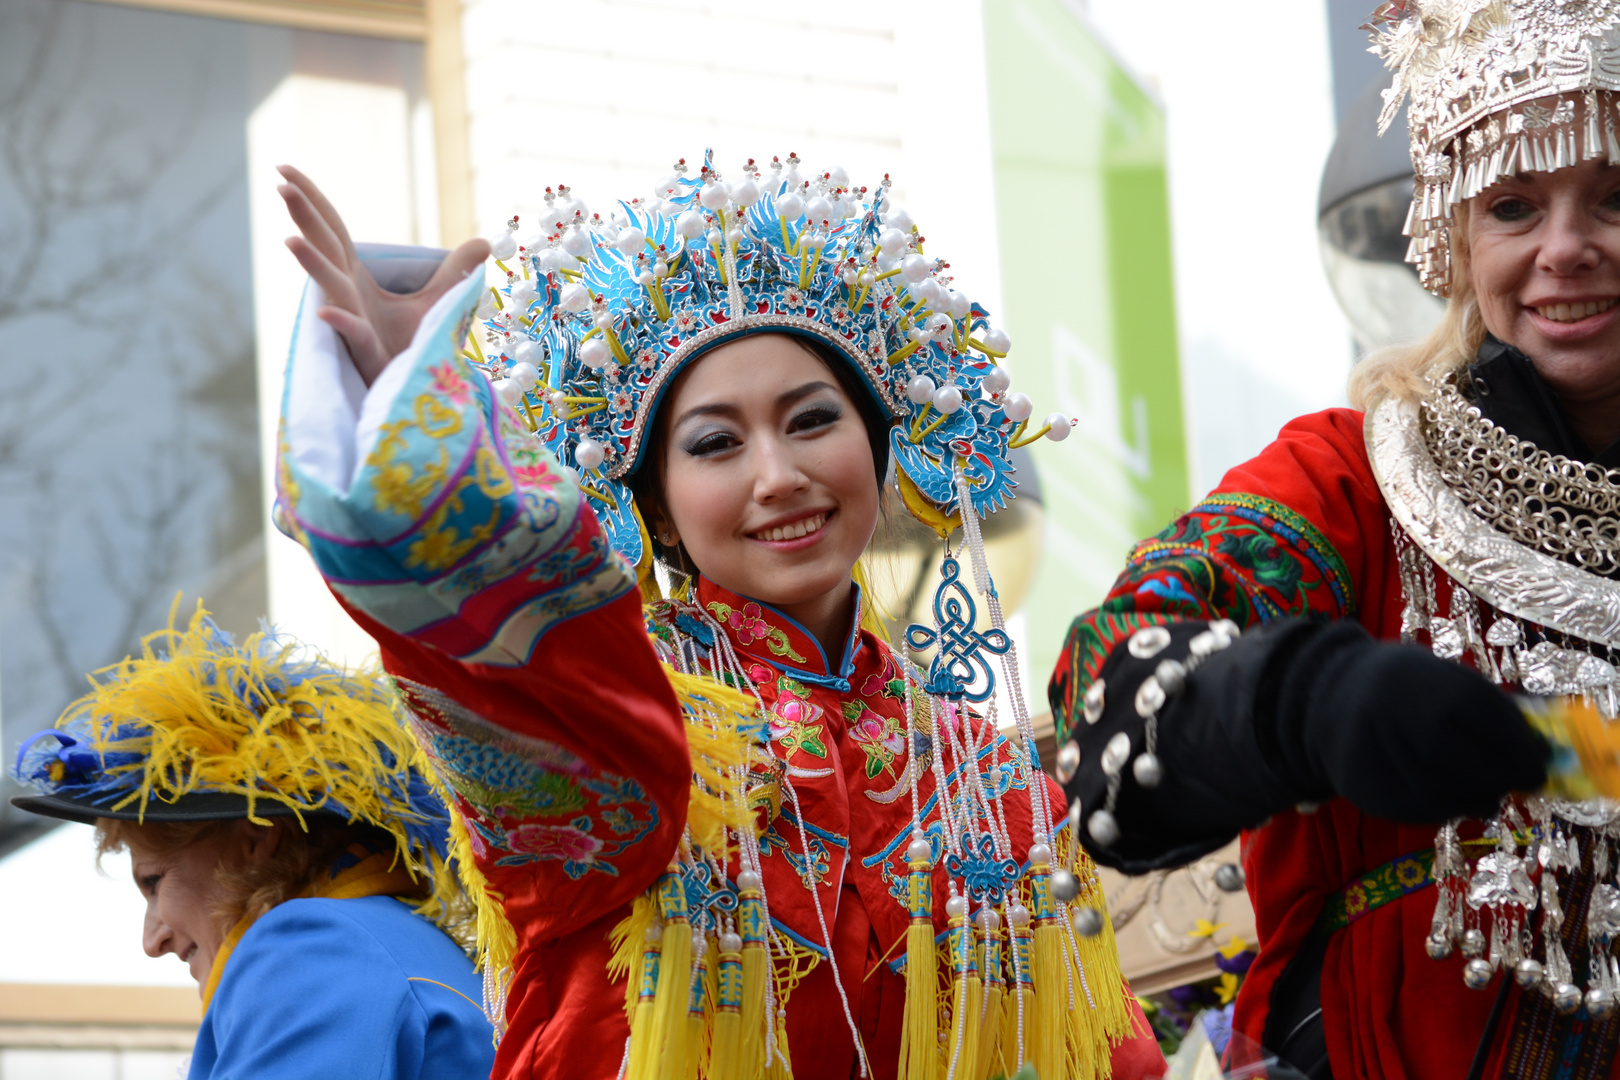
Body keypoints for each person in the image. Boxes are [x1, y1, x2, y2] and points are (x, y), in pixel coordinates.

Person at [269, 152, 1166, 1080]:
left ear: (881, 445)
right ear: (654, 505)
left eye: (813, 420)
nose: (778, 475)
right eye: (715, 443)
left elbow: (1102, 1053)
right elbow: (504, 653)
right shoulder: (626, 719)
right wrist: (417, 423)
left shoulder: (989, 780)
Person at [1051, 2, 1620, 1078]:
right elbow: (1108, 683)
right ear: (1454, 237)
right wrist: (1303, 702)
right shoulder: (1354, 482)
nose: (1567, 249)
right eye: (1513, 205)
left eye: (1616, 198)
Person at [9, 606, 497, 1080]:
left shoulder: (314, 945)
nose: (151, 941)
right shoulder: (392, 938)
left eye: (155, 881)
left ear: (257, 838)